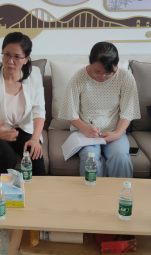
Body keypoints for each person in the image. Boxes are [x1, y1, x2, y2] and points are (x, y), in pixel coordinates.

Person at [58, 42, 140, 178]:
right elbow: (69, 112)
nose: (102, 77)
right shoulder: (79, 77)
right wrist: (85, 128)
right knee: (90, 158)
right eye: (97, 72)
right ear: (90, 63)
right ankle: (91, 192)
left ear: (116, 66)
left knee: (121, 157)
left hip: (114, 130)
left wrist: (117, 134)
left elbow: (128, 111)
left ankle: (121, 191)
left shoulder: (125, 77)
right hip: (85, 132)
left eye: (108, 73)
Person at [0, 32, 46, 176]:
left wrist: (35, 139)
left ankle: (39, 191)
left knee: (35, 156)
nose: (10, 61)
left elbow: (39, 110)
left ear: (26, 59)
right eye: (7, 55)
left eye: (17, 57)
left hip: (25, 130)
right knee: (8, 158)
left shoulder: (34, 75)